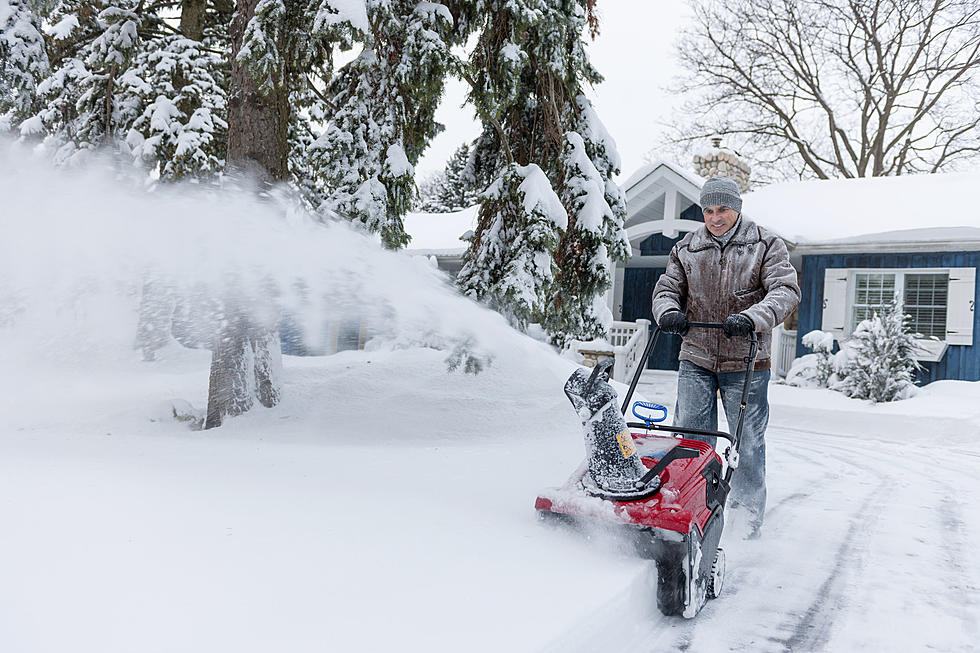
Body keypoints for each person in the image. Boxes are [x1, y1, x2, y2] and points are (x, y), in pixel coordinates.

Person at [652, 176, 800, 538]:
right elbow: (667, 288)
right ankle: (689, 510)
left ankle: (745, 523)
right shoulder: (687, 248)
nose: (715, 217)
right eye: (709, 210)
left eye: (723, 210)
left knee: (746, 443)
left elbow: (785, 290)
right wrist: (667, 311)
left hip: (746, 360)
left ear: (737, 208)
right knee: (691, 439)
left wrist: (752, 318)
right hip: (696, 356)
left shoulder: (765, 244)